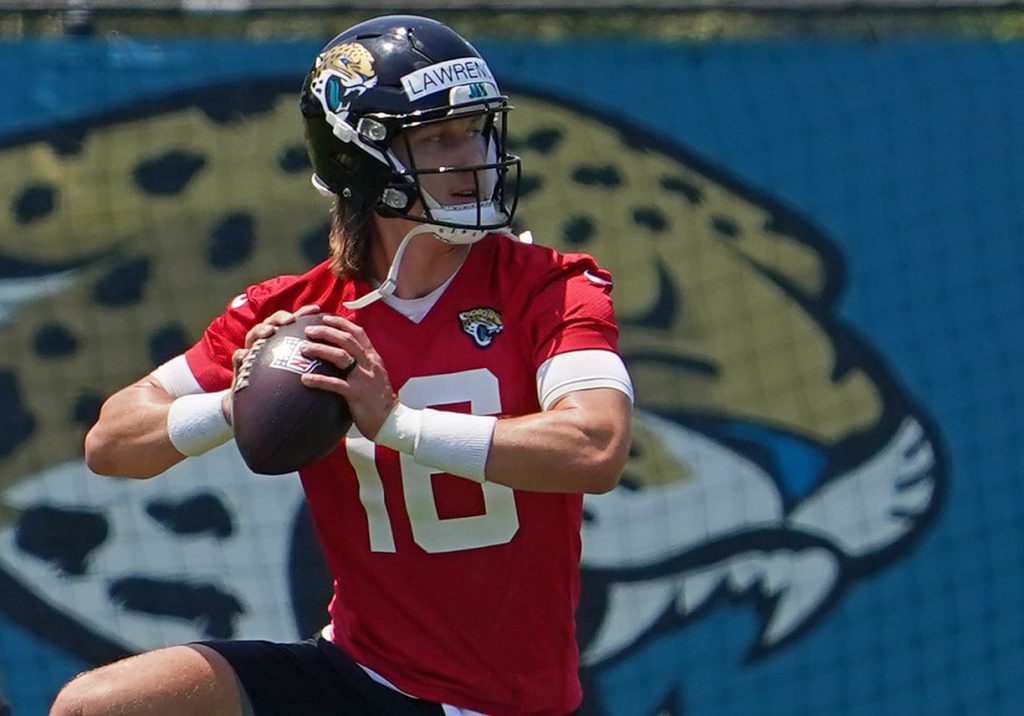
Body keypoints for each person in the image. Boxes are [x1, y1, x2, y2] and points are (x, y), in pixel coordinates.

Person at [51, 14, 633, 716]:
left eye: (476, 130)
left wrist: (397, 423)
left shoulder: (550, 286)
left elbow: (595, 445)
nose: (471, 156)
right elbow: (111, 442)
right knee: (99, 707)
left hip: (506, 702)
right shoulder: (296, 311)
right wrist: (236, 402)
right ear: (362, 159)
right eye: (438, 138)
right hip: (360, 674)